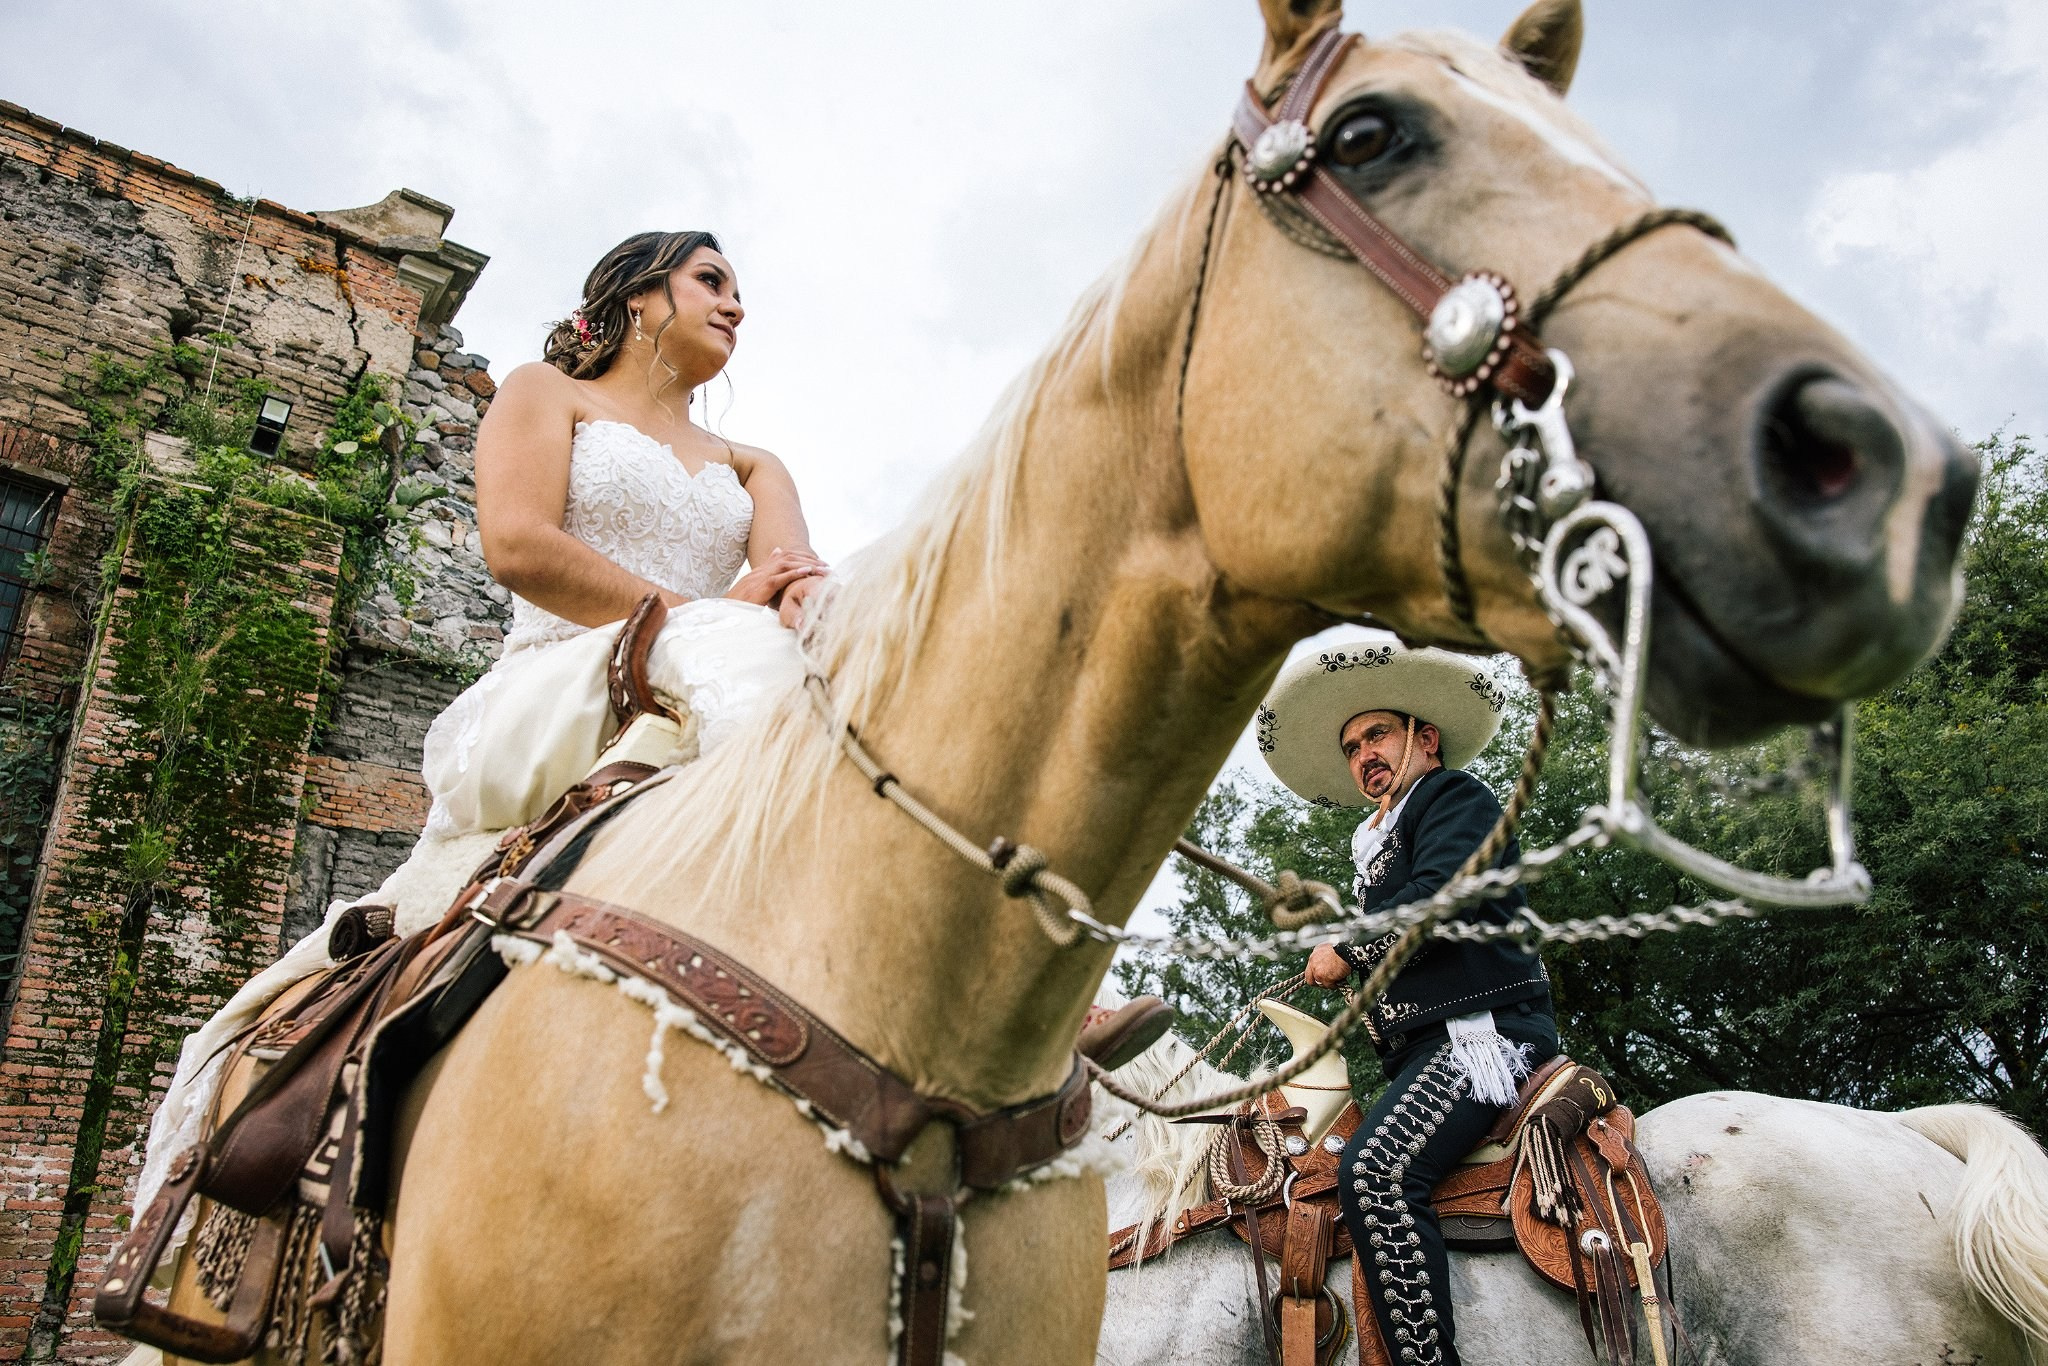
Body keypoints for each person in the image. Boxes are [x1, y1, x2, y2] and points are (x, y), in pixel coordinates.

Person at [1259, 632, 1556, 1366]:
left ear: (1425, 739)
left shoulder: (1455, 797)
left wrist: (1349, 947)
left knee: (1376, 1173)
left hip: (1483, 1039)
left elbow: (1442, 896)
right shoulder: (1380, 845)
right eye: (1352, 747)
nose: (1364, 754)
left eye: (1378, 734)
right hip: (1431, 1051)